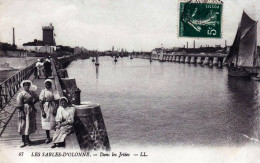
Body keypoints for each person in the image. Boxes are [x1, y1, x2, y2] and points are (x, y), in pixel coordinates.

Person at [16, 80, 39, 148]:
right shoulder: (21, 94)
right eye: (25, 85)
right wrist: (22, 112)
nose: (27, 87)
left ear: (29, 86)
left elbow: (37, 98)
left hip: (30, 109)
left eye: (28, 85)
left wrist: (33, 102)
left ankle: (28, 139)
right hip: (23, 109)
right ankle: (23, 140)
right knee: (23, 124)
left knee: (29, 124)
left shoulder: (32, 92)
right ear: (23, 86)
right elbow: (19, 103)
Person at [39, 79, 60, 143]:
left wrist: (55, 109)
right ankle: (48, 137)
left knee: (55, 121)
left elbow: (57, 101)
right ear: (45, 84)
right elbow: (40, 102)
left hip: (52, 106)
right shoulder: (43, 91)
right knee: (46, 122)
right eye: (46, 84)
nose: (47, 85)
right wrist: (42, 111)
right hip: (45, 107)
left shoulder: (54, 91)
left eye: (49, 84)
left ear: (51, 84)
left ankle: (56, 137)